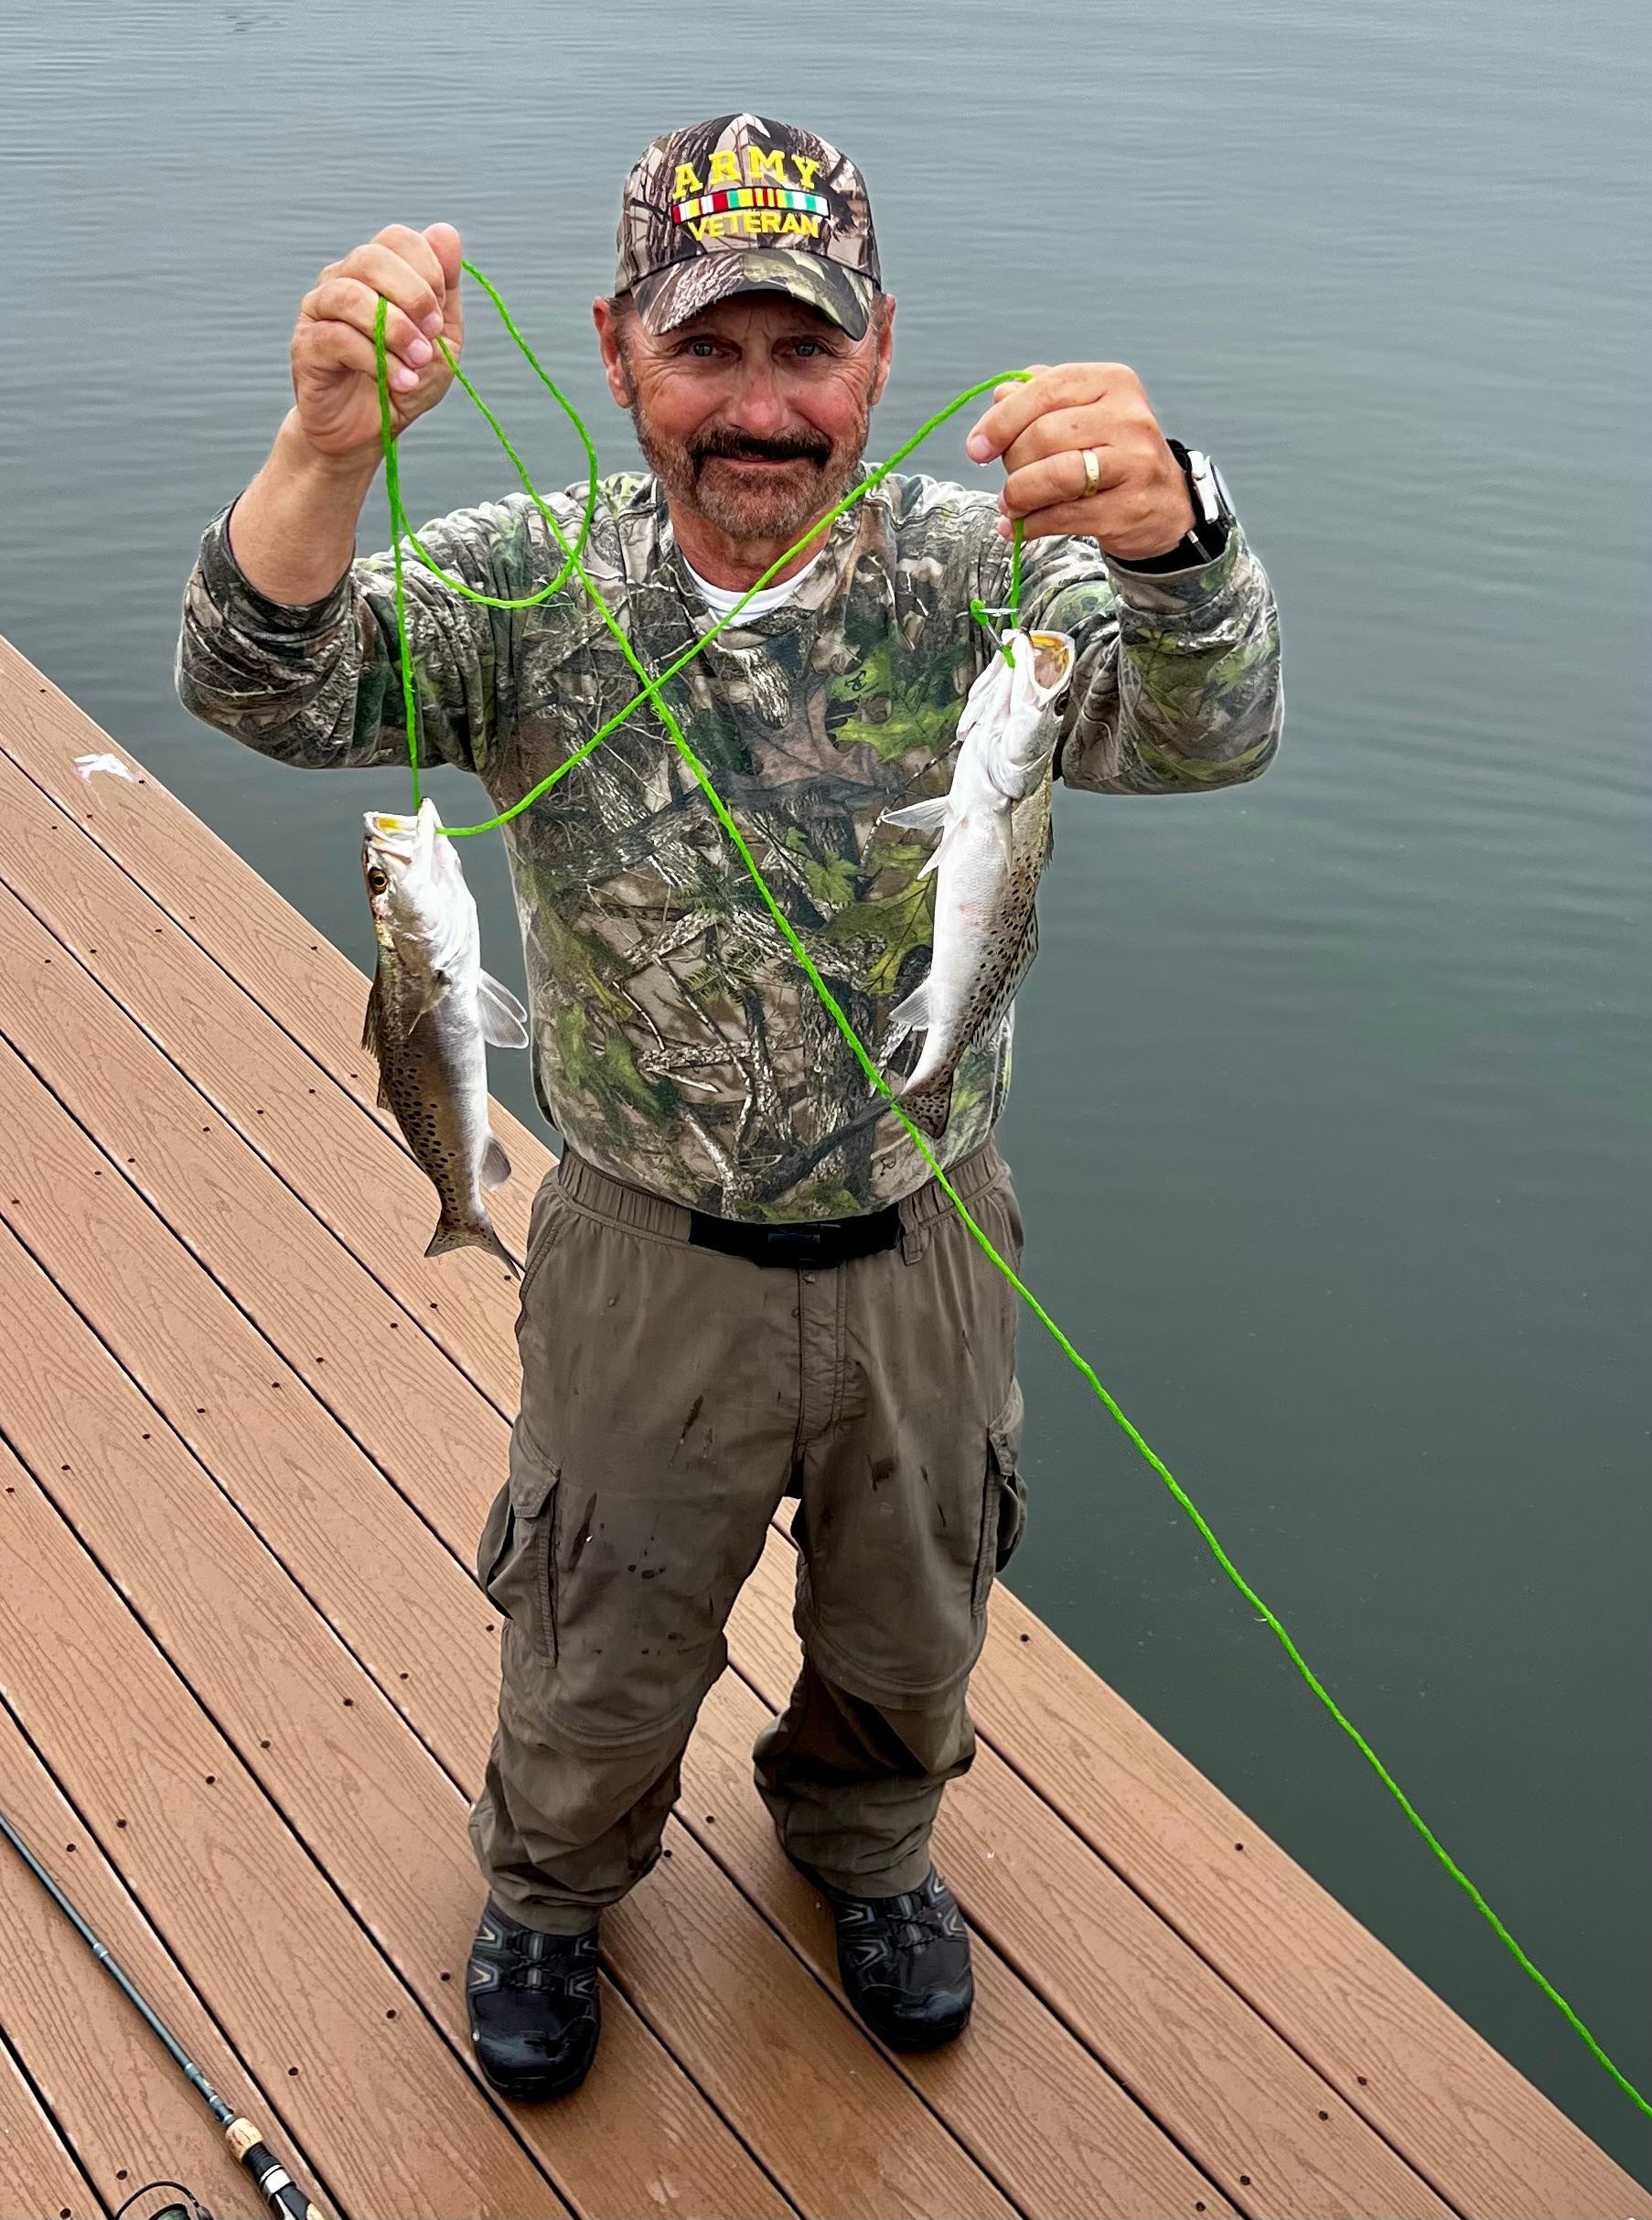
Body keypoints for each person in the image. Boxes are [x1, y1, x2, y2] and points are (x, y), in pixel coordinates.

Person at [177, 113, 1283, 2099]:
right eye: (709, 352)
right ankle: (548, 1880)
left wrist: (1179, 532)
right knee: (595, 1620)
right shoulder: (530, 579)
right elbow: (265, 679)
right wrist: (328, 449)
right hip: (635, 1245)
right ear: (616, 350)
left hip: (926, 1235)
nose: (759, 408)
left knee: (916, 1621)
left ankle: (865, 1848)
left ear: (881, 355)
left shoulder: (978, 585)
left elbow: (1210, 731)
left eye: (807, 351)